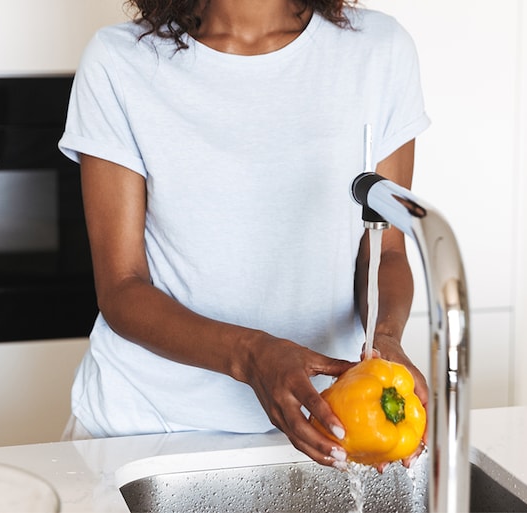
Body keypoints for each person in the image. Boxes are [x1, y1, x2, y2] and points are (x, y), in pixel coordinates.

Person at [58, 0, 430, 470]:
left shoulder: (378, 51)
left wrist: (386, 341)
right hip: (147, 429)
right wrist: (250, 354)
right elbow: (122, 287)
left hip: (327, 422)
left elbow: (383, 251)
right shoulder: (119, 62)